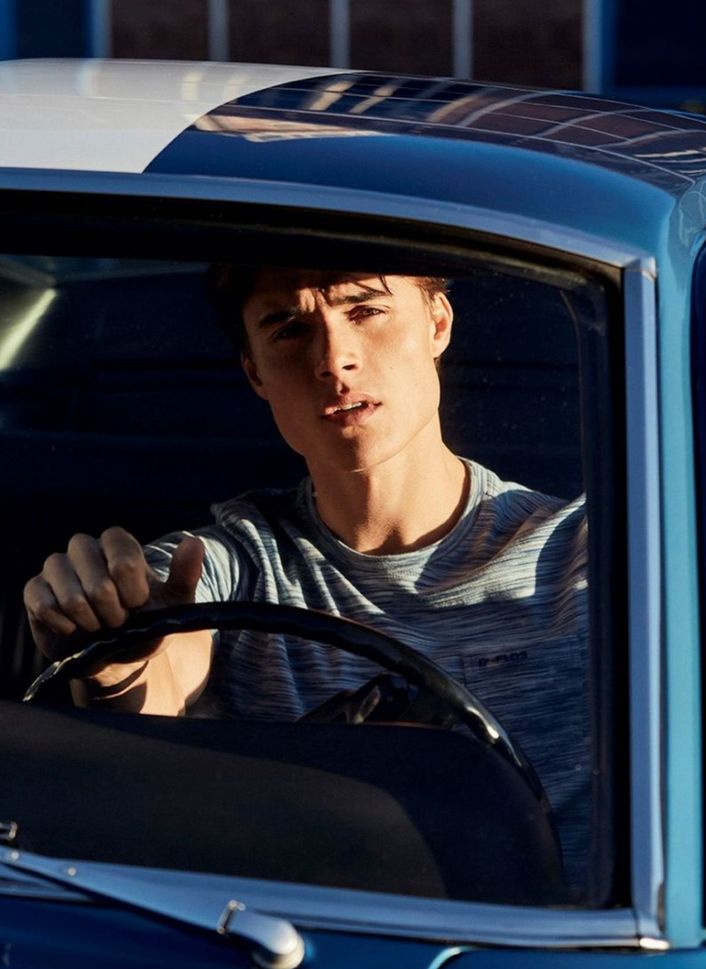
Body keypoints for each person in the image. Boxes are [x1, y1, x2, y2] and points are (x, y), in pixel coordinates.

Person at [22, 268, 589, 888]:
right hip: (282, 952)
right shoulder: (237, 557)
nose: (333, 359)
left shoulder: (585, 555)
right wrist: (118, 659)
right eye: (289, 328)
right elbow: (162, 670)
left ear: (437, 323)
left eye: (365, 311)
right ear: (255, 373)